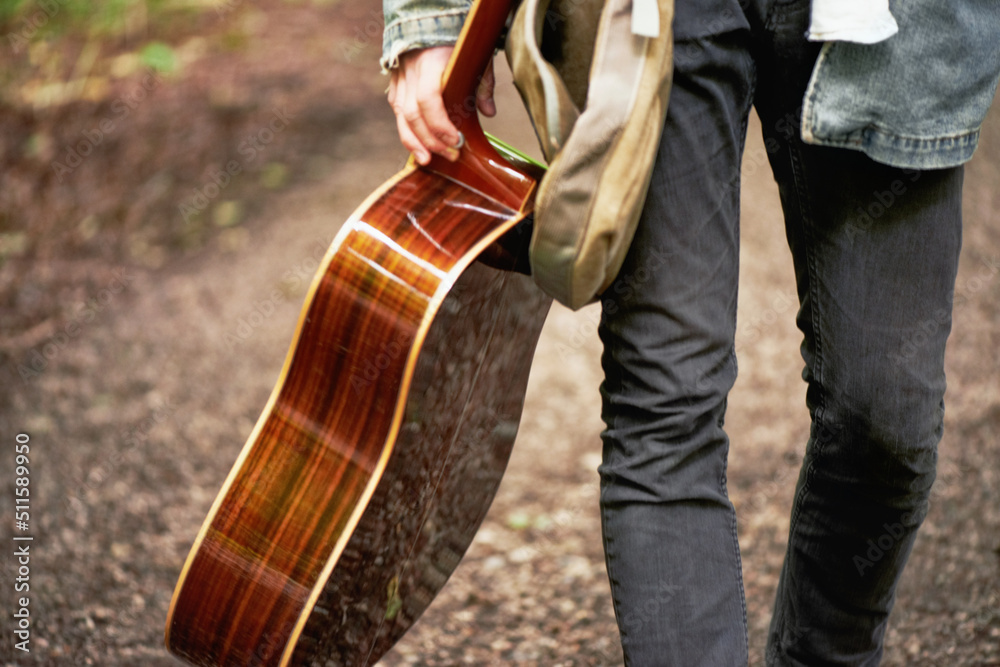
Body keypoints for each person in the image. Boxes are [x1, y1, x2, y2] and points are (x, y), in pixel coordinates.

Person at [381, 0, 1000, 664]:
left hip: (895, 24)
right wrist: (432, 19)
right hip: (650, 16)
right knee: (665, 397)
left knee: (887, 414)